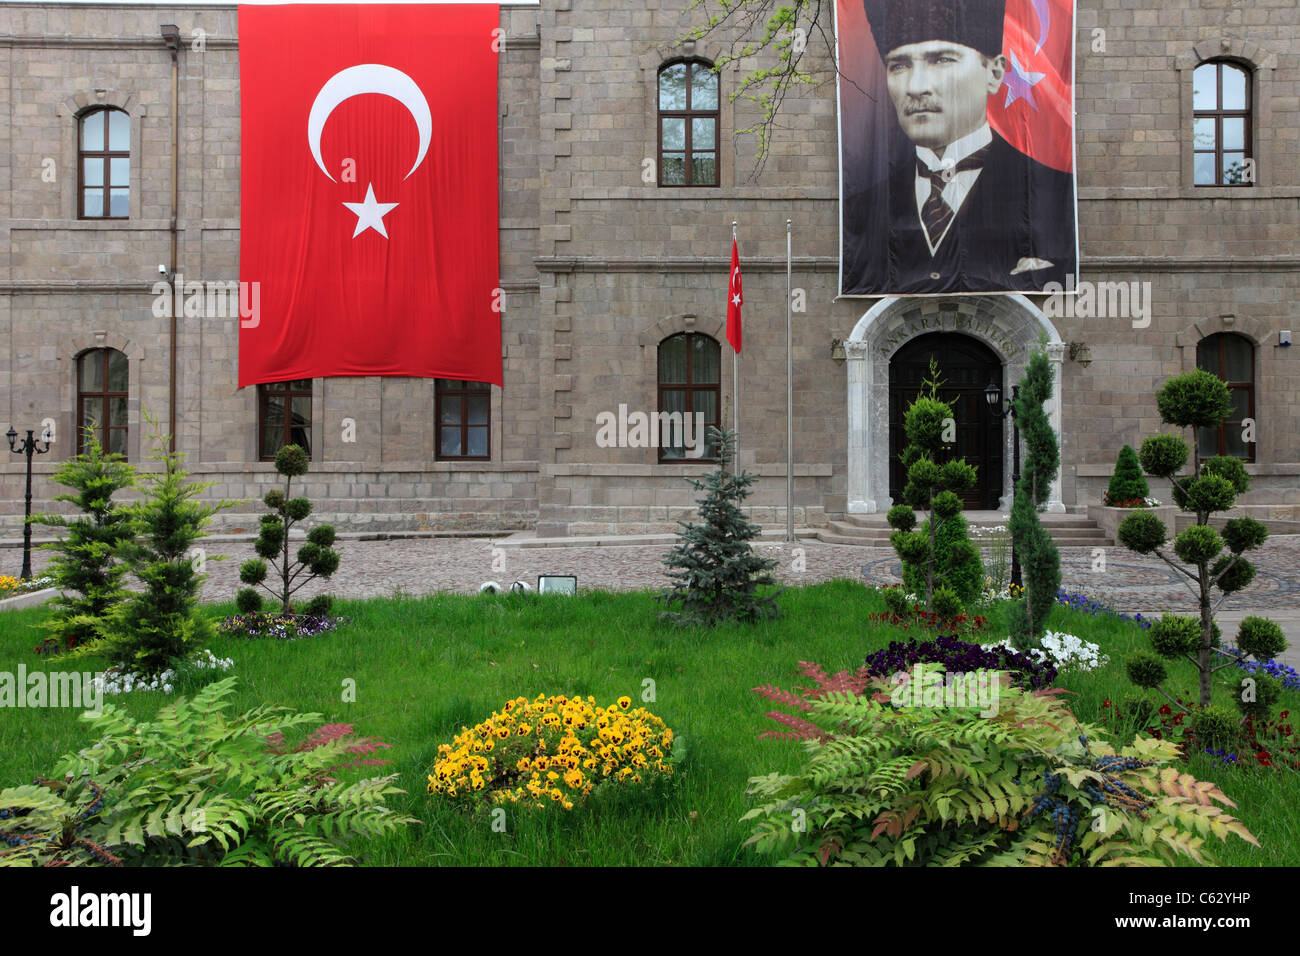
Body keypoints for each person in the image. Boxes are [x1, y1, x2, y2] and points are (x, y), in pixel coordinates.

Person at [842, 0, 1076, 294]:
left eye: (942, 59)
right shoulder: (864, 209)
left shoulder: (1050, 193)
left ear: (994, 73)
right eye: (899, 65)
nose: (916, 87)